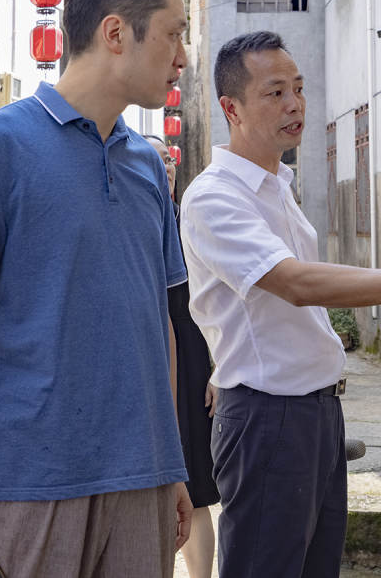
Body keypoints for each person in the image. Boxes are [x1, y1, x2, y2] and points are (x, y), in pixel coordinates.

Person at [180, 31, 381, 578]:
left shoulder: (277, 185)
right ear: (231, 108)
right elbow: (297, 284)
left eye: (300, 89)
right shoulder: (215, 195)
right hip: (268, 414)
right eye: (275, 92)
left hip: (314, 412)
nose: (295, 105)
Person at [0, 0, 194, 577]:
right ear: (117, 33)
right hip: (30, 482)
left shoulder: (148, 165)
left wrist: (172, 465)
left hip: (142, 482)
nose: (182, 57)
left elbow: (160, 324)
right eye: (174, 34)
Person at [144, 135, 219, 578]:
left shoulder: (191, 221)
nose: (165, 166)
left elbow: (224, 299)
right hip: (145, 362)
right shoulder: (133, 222)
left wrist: (219, 369)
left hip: (192, 364)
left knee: (198, 485)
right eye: (153, 158)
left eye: (167, 158)